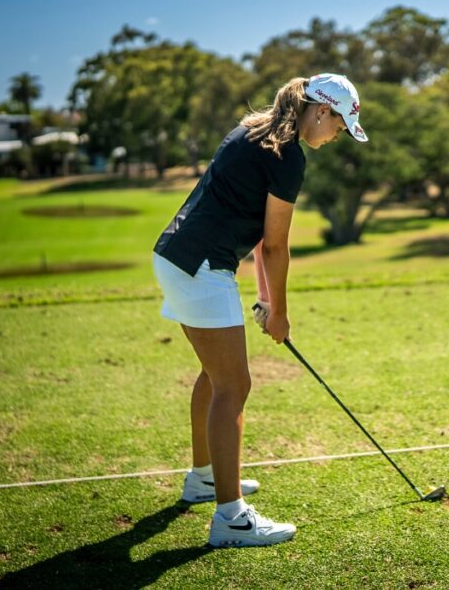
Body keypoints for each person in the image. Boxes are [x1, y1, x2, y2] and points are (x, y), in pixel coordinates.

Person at [152, 73, 368, 545]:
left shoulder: (255, 128)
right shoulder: (287, 156)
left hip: (176, 256)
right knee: (234, 384)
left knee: (215, 375)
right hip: (202, 266)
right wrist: (281, 313)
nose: (335, 138)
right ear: (321, 111)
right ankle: (230, 517)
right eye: (339, 127)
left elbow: (255, 239)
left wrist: (268, 300)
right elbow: (274, 247)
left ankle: (204, 478)